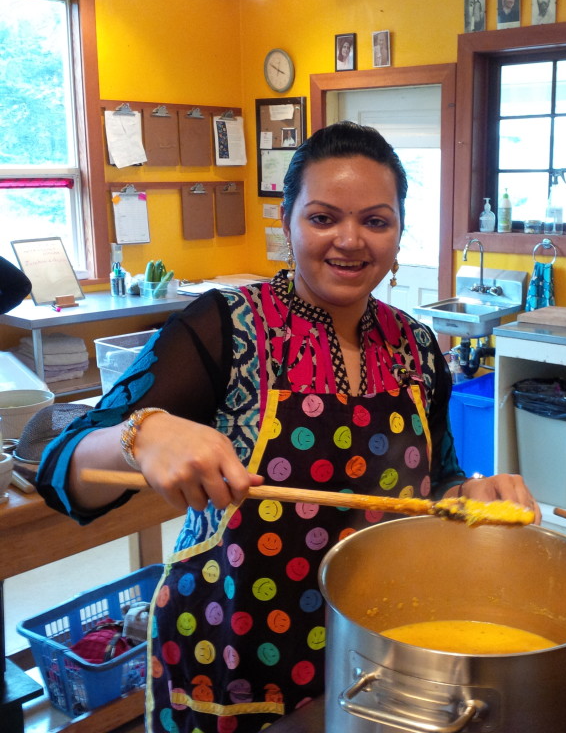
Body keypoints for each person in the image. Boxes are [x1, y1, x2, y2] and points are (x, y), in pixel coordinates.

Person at [36, 121, 540, 732]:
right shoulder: (226, 327)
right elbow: (61, 468)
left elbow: (436, 485)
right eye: (323, 217)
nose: (349, 241)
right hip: (228, 648)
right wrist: (140, 435)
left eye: (376, 221)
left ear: (399, 234)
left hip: (377, 648)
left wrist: (470, 496)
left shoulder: (417, 346)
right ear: (287, 225)